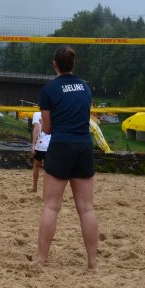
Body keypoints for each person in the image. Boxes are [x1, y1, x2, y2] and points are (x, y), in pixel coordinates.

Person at [36, 46, 98, 270]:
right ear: (73, 64)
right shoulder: (85, 87)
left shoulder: (49, 89)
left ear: (55, 64)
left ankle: (41, 260)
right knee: (87, 208)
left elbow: (48, 128)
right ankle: (92, 263)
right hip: (84, 146)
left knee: (51, 207)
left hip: (61, 145)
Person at [30, 110, 51, 193]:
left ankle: (34, 187)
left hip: (40, 145)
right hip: (51, 145)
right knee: (49, 169)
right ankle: (47, 190)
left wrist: (33, 144)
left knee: (36, 166)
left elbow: (36, 129)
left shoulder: (37, 113)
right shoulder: (55, 111)